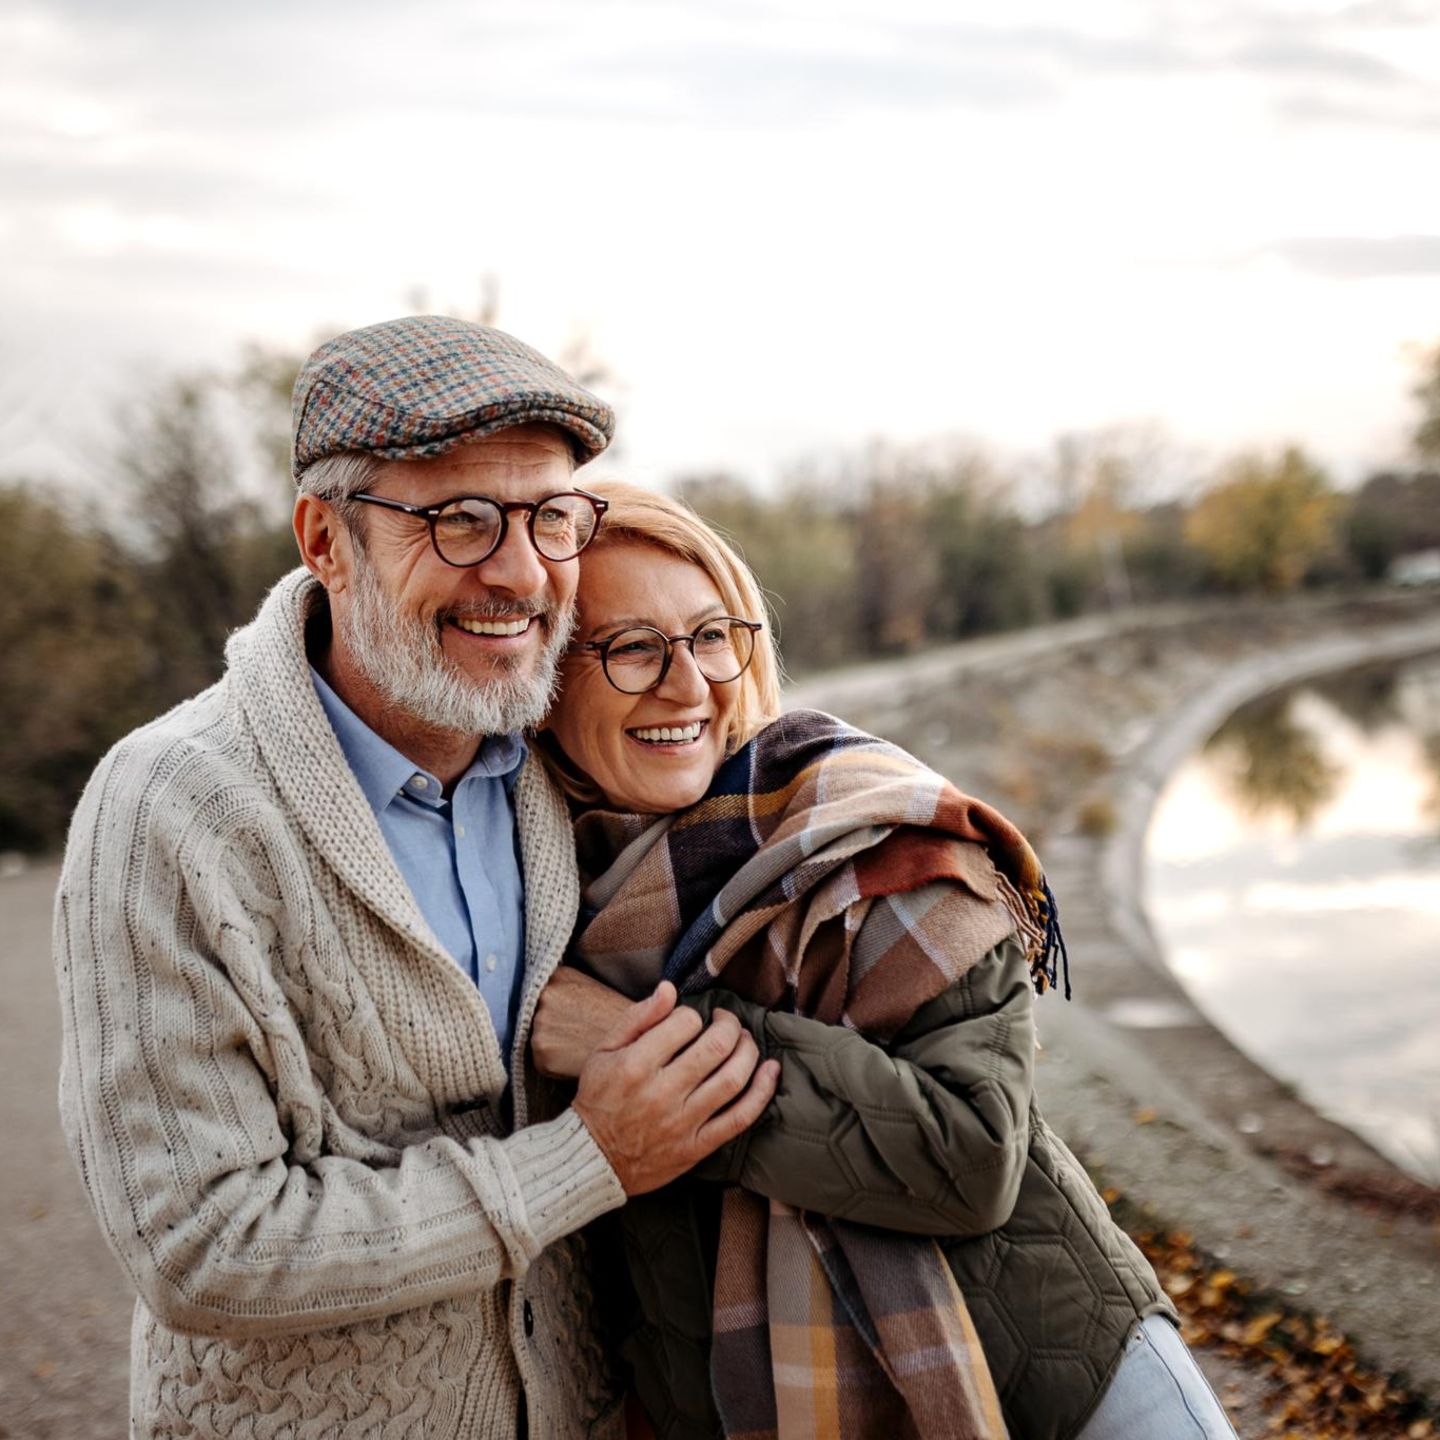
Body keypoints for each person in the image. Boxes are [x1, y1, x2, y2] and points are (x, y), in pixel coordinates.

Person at [53, 318, 778, 1440]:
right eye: (459, 520)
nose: (521, 571)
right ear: (326, 540)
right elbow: (199, 1247)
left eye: (550, 518)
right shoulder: (175, 809)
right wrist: (583, 1161)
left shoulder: (551, 764)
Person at [532, 481, 1241, 1440]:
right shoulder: (538, 900)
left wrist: (642, 1048)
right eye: (629, 647)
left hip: (1065, 1384)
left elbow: (971, 1153)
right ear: (543, 676)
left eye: (710, 635)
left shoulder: (875, 834)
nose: (690, 683)